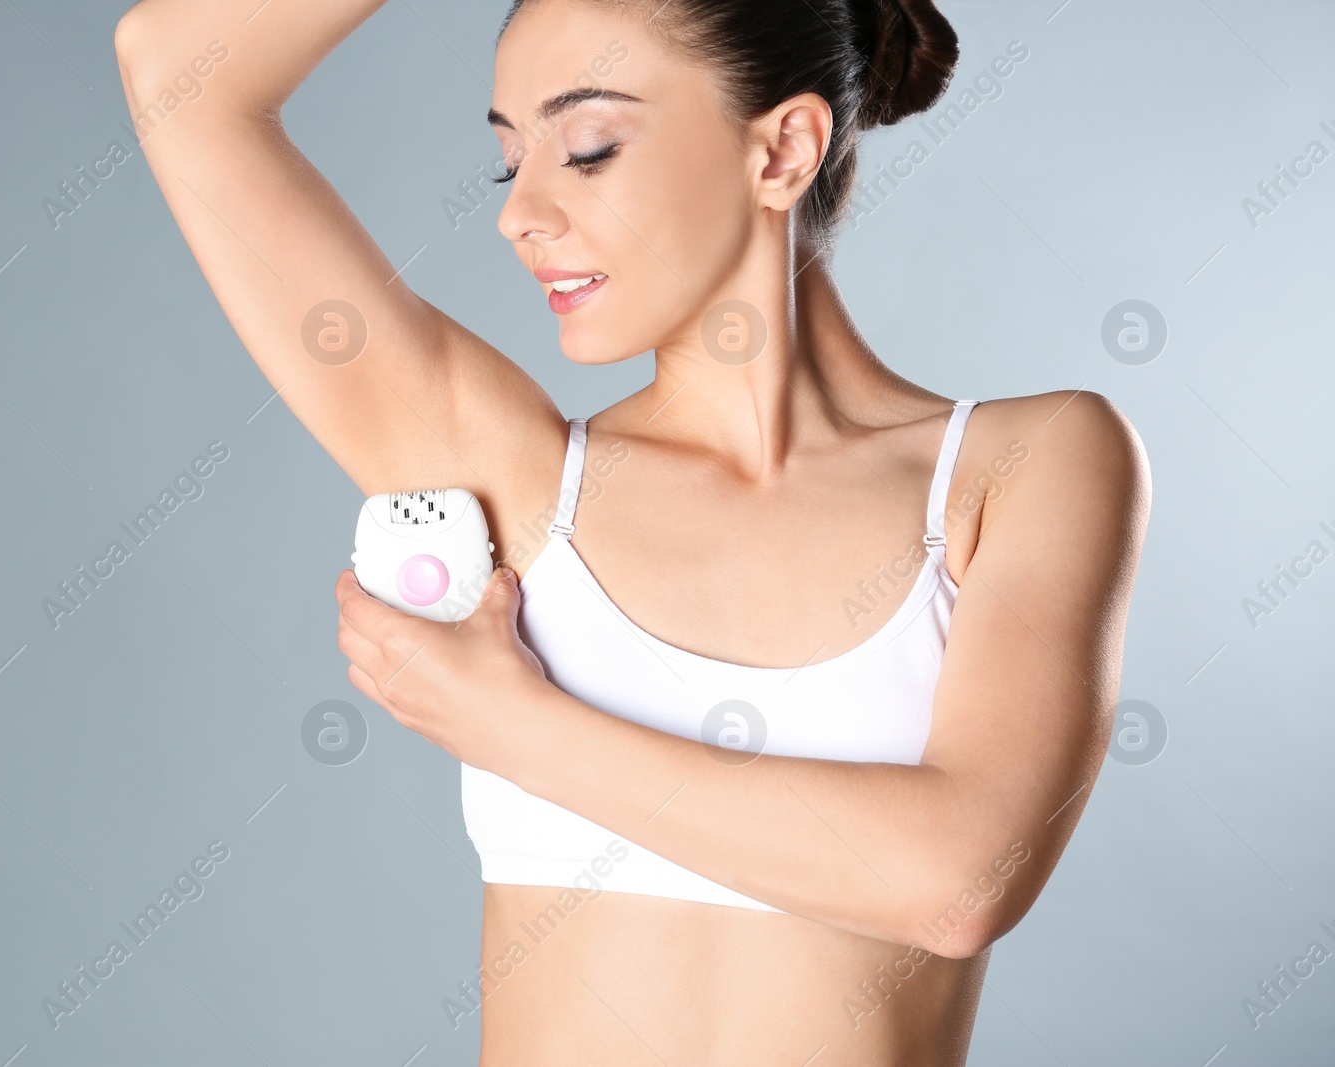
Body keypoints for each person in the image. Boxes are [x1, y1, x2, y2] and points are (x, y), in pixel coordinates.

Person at [114, 0, 1150, 1062]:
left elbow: (955, 882)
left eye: (587, 149)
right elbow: (175, 71)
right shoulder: (509, 478)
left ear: (783, 148)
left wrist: (510, 724)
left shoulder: (1027, 462)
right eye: (506, 162)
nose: (519, 213)